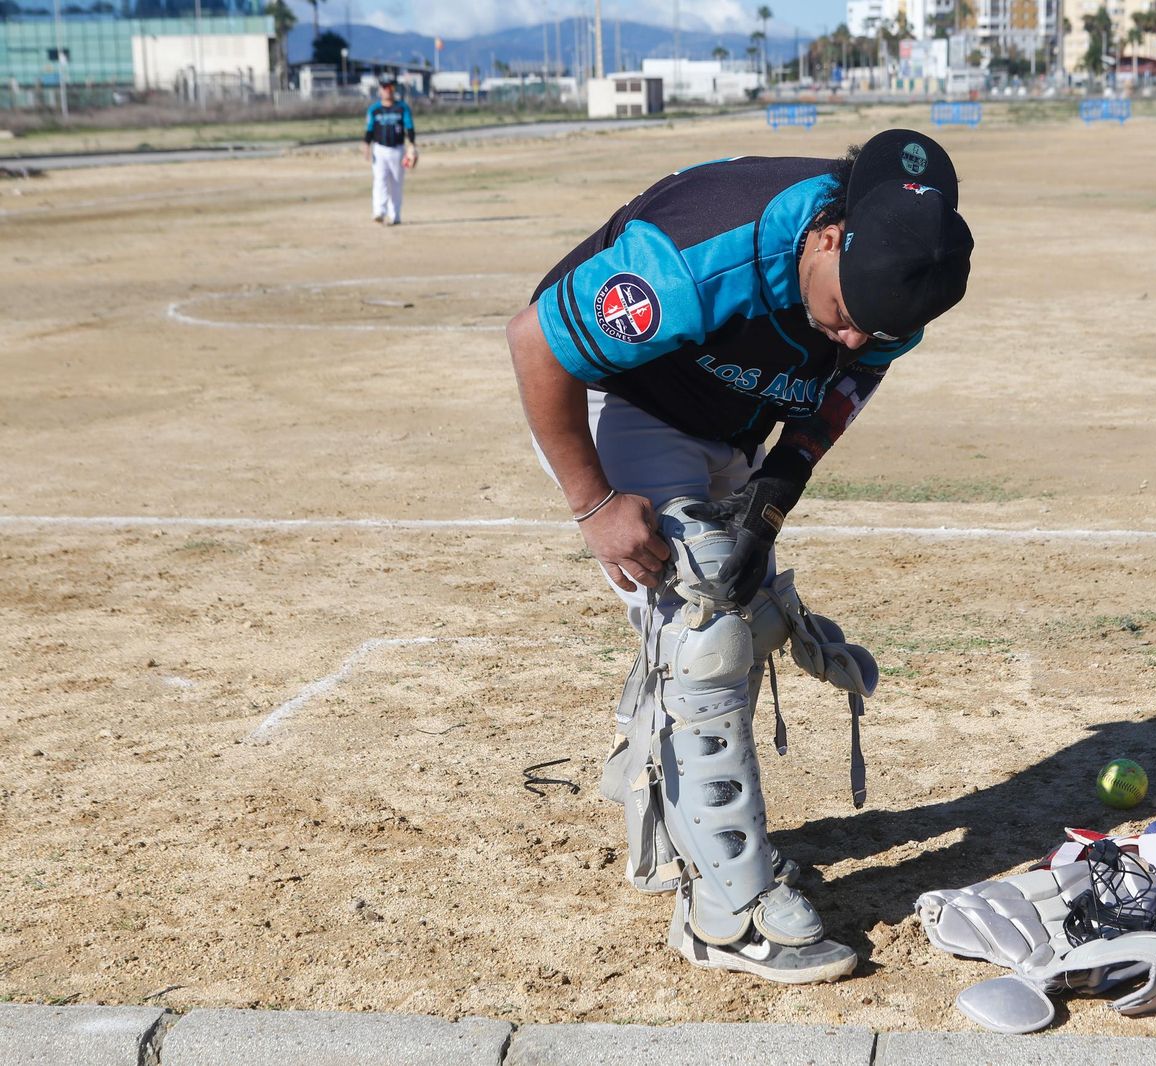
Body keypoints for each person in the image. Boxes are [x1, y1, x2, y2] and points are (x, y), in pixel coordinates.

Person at [507, 130, 973, 982]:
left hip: (726, 417)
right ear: (829, 236)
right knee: (703, 629)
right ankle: (725, 915)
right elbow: (537, 341)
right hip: (627, 398)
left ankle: (652, 811)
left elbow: (843, 388)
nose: (859, 339)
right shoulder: (702, 253)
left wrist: (768, 506)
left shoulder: (902, 279)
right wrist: (597, 505)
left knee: (736, 597)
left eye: (883, 331)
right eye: (846, 315)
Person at [363, 72, 416, 226]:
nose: (388, 90)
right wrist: (366, 145)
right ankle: (379, 211)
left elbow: (410, 128)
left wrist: (411, 146)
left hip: (397, 150)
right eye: (385, 87)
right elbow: (369, 130)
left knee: (396, 183)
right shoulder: (374, 109)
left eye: (391, 87)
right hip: (379, 150)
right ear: (380, 90)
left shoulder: (402, 108)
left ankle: (395, 215)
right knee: (380, 180)